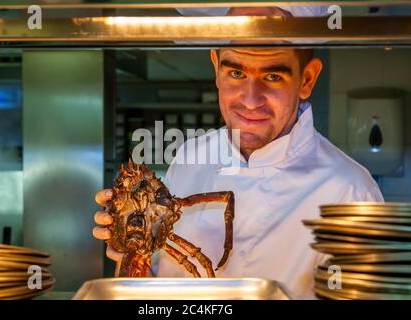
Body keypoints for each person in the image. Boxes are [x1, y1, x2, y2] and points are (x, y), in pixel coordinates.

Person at [93, 6, 384, 299]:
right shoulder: (189, 156)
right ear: (215, 68)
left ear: (307, 79)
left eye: (272, 77)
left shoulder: (352, 194)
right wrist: (129, 251)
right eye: (235, 72)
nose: (250, 99)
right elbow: (156, 286)